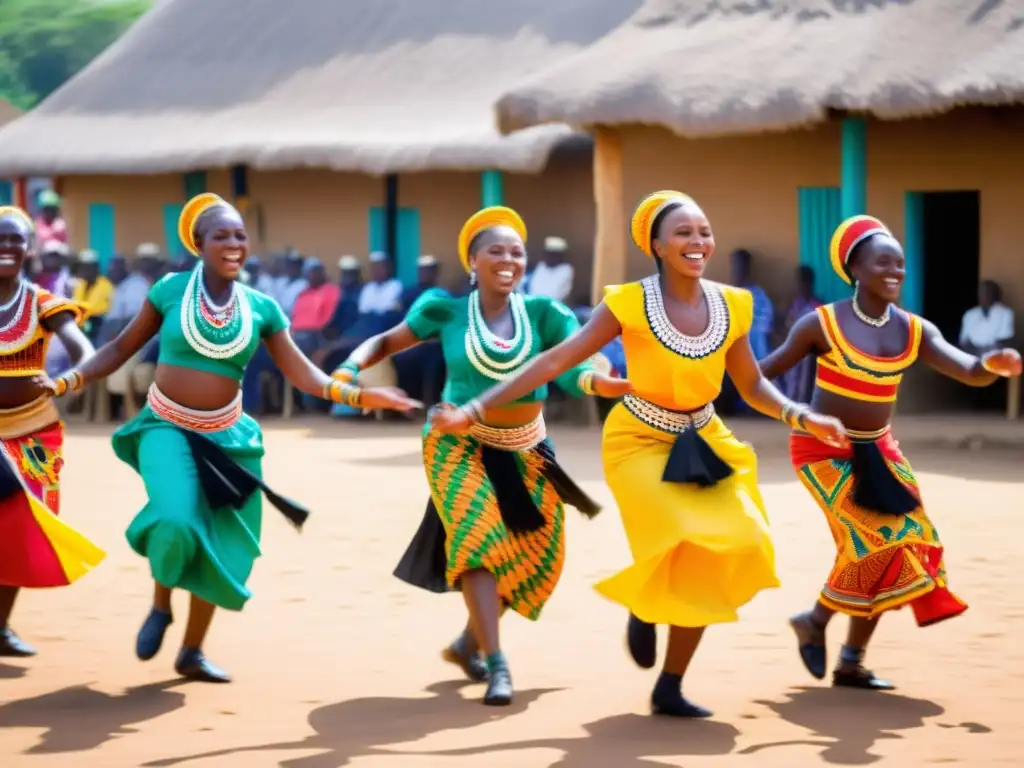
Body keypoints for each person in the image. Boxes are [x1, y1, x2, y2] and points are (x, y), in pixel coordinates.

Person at [431, 191, 847, 718]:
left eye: (704, 232)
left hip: (708, 440)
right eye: (683, 233)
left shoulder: (732, 304)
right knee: (681, 536)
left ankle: (669, 685)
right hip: (640, 442)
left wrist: (802, 414)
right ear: (656, 244)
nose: (698, 242)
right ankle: (648, 605)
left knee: (738, 542)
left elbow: (753, 384)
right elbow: (554, 358)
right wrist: (473, 407)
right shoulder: (627, 302)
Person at [50, 193, 420, 683]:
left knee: (223, 544)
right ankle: (162, 601)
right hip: (167, 427)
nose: (233, 243)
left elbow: (306, 376)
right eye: (221, 235)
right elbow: (119, 346)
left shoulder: (262, 307)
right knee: (177, 520)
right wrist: (69, 380)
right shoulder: (170, 290)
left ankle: (192, 651)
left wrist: (363, 396)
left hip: (230, 438)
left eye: (240, 235)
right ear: (198, 243)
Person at [333, 206, 626, 706]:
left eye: (517, 252)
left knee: (536, 555)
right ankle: (497, 664)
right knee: (478, 540)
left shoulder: (545, 315)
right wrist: (348, 368)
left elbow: (572, 365)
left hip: (528, 447)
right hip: (457, 444)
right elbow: (386, 340)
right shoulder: (443, 311)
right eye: (497, 250)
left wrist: (598, 381)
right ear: (473, 261)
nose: (509, 259)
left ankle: (470, 642)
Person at [760, 215, 1022, 690]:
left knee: (904, 546)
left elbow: (968, 369)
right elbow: (761, 374)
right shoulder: (819, 324)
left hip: (880, 450)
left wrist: (992, 364)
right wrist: (708, 375)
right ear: (854, 268)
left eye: (900, 265)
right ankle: (817, 620)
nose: (895, 272)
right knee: (879, 539)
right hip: (824, 451)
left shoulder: (914, 329)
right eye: (883, 262)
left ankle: (850, 660)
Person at [0, 206, 104, 658]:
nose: (6, 248)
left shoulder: (43, 303)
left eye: (15, 241)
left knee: (24, 526)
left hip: (34, 431)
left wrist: (65, 382)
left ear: (29, 249)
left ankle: (0, 627)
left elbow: (86, 351)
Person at [780, 265, 823, 403]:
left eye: (802, 282)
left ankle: (802, 399)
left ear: (809, 283)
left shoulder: (817, 305)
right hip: (795, 346)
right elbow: (788, 325)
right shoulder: (795, 304)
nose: (799, 286)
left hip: (812, 349)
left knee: (805, 365)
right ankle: (791, 399)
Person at [526, 237, 574, 303]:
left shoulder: (566, 269)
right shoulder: (541, 266)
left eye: (554, 254)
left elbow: (554, 294)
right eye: (548, 253)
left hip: (553, 307)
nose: (550, 257)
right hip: (534, 304)